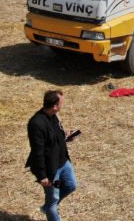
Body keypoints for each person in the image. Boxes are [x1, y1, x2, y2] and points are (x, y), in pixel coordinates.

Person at [26, 90, 77, 221]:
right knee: (53, 199)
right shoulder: (36, 123)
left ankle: (48, 206)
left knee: (71, 186)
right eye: (61, 103)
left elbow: (53, 138)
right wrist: (42, 176)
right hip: (52, 171)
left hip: (63, 163)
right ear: (54, 106)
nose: (63, 105)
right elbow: (38, 151)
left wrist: (65, 137)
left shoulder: (54, 115)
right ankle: (50, 208)